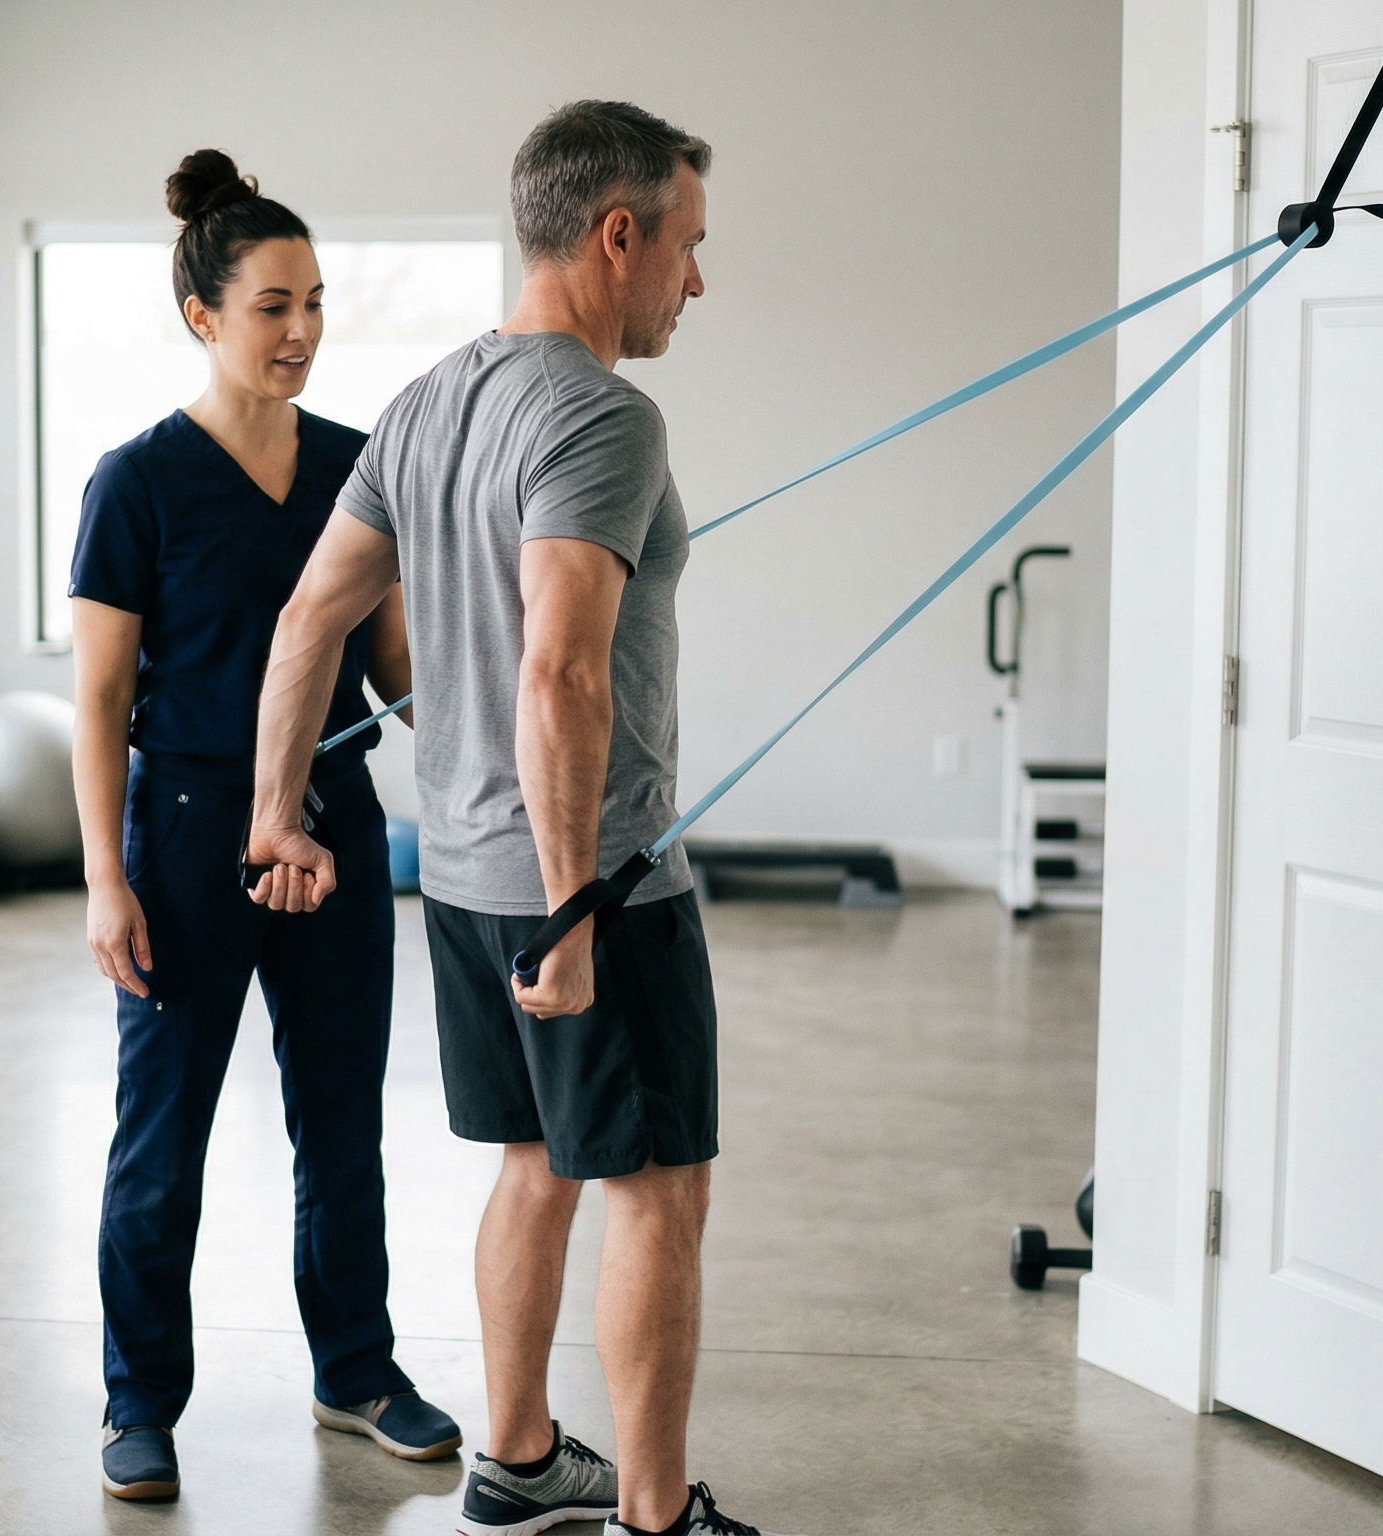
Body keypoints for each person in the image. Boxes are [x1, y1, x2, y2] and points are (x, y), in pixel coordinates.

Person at [246, 103, 801, 1536]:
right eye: (687, 244)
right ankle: (658, 1518)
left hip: (469, 874)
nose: (696, 278)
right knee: (659, 1193)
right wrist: (573, 910)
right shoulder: (605, 414)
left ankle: (515, 1455)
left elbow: (312, 616)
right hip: (588, 884)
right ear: (618, 234)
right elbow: (558, 668)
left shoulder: (427, 402)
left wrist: (275, 818)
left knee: (536, 1164)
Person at [67, 148, 458, 1504]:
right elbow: (101, 698)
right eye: (270, 306)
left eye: (315, 304)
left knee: (342, 1119)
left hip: (335, 825)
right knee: (160, 1138)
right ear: (201, 316)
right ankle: (137, 1400)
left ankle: (356, 1369)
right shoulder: (136, 483)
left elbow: (400, 675)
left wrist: (505, 685)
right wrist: (106, 880)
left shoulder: (361, 467)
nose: (299, 332)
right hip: (180, 833)